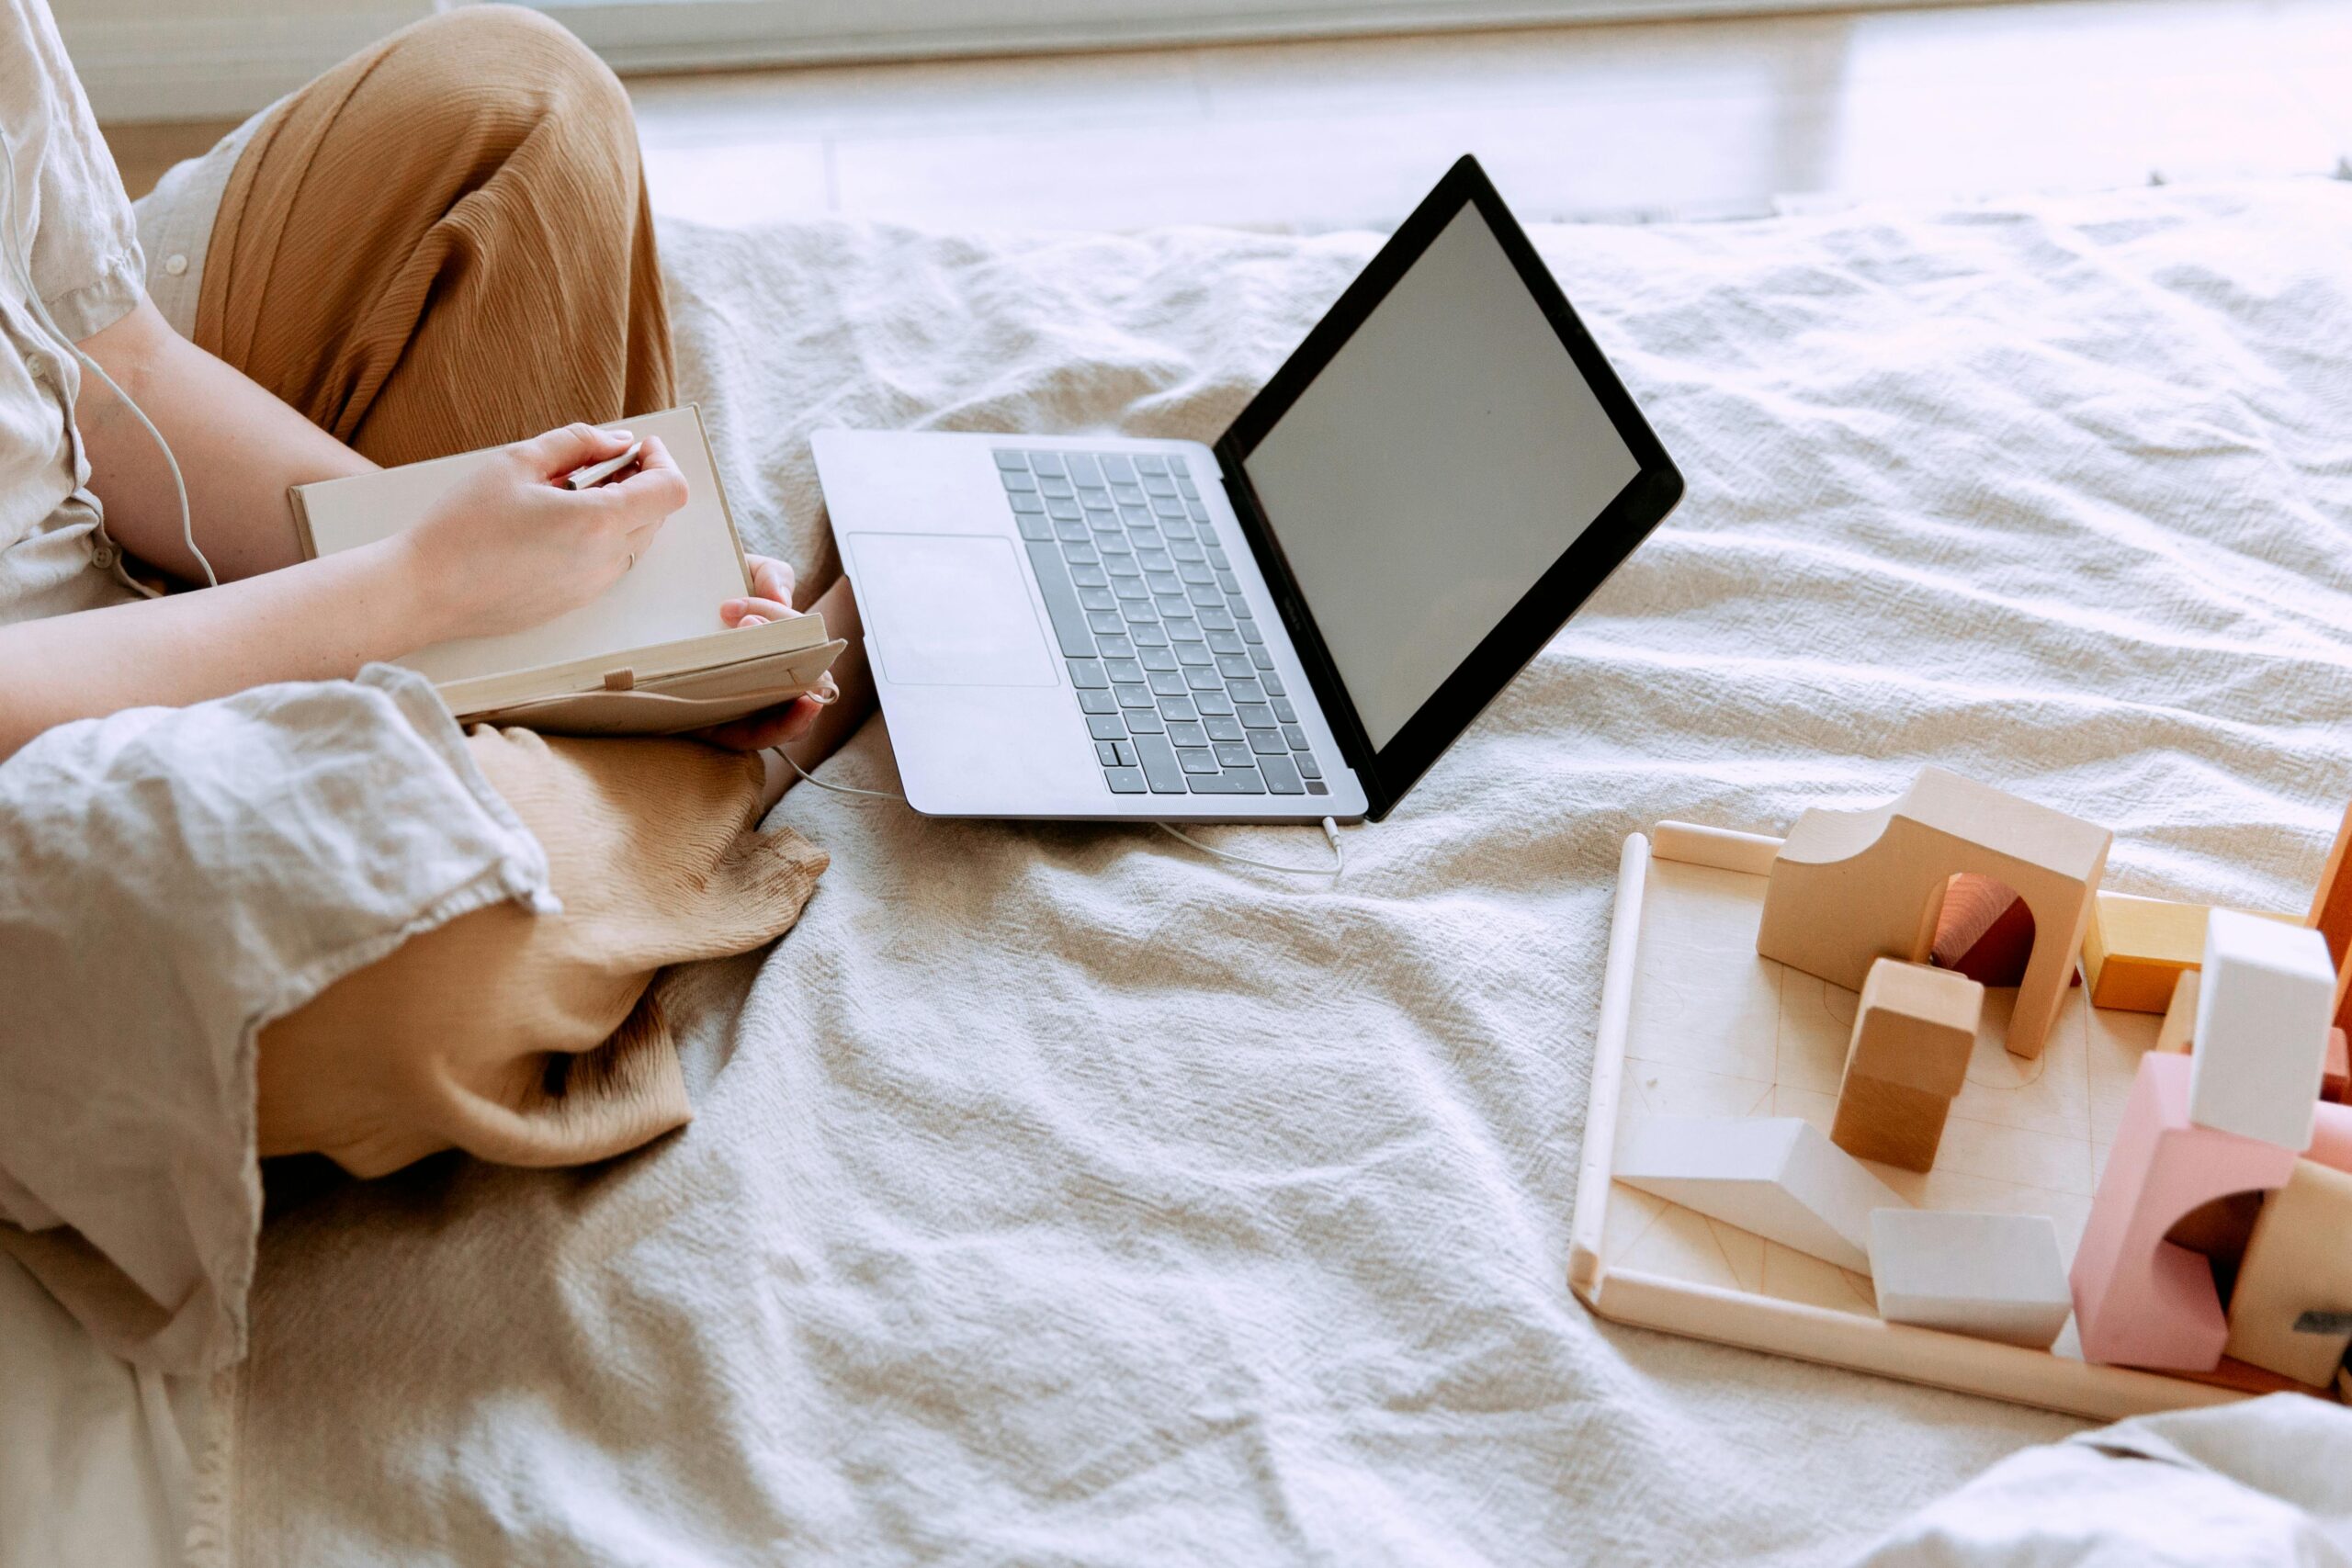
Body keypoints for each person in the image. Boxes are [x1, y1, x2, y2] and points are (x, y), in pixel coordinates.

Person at [0, 2, 870, 1179]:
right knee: (395, 936)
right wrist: (423, 585)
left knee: (525, 100)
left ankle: (607, 756)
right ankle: (685, 780)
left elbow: (103, 374)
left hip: (64, 540)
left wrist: (552, 599)